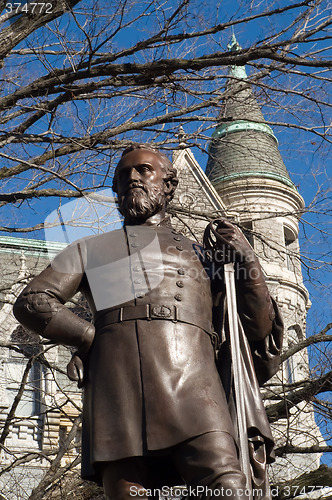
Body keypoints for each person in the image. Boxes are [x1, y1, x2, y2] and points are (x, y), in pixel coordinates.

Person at [13, 144, 283, 500]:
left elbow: (258, 331)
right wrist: (91, 339)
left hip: (196, 389)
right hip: (118, 388)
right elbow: (33, 301)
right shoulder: (90, 249)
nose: (133, 180)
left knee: (229, 487)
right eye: (124, 175)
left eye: (144, 171)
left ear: (168, 185)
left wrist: (249, 263)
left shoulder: (206, 257)